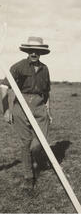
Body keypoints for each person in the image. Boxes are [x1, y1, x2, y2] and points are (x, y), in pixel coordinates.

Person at [0, 36, 52, 191]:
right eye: (31, 50)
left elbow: (48, 92)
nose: (34, 53)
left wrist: (49, 110)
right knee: (26, 142)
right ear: (27, 51)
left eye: (37, 51)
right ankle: (29, 176)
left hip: (39, 106)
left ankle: (37, 159)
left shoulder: (45, 69)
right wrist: (6, 109)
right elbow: (4, 88)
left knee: (39, 142)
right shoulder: (18, 67)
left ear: (41, 53)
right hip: (21, 106)